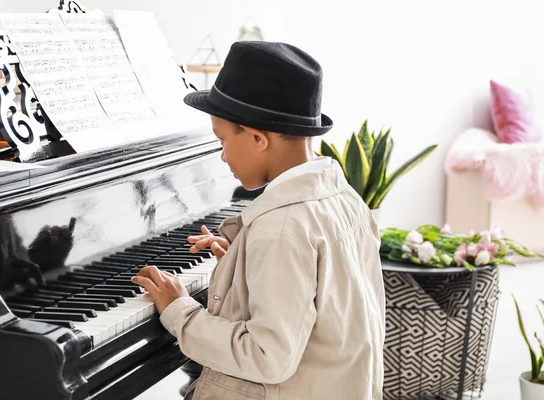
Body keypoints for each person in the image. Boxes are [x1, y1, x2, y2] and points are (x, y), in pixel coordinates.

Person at [131, 41, 385, 400]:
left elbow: (268, 357)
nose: (221, 156)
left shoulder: (281, 228)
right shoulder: (346, 201)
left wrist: (180, 312)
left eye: (221, 140)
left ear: (257, 138)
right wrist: (244, 262)